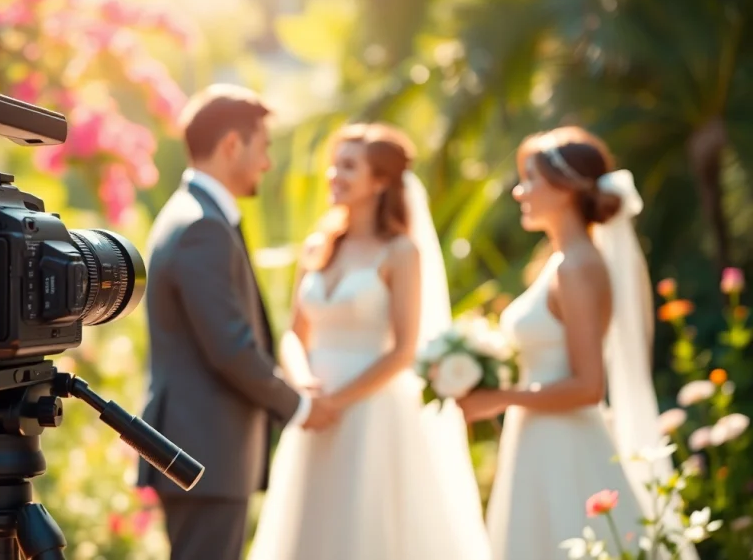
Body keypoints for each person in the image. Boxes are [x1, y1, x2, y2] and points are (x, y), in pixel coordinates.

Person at [246, 123, 491, 560]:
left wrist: (337, 401)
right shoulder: (319, 245)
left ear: (380, 181)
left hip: (371, 411)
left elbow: (404, 350)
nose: (334, 176)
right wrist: (303, 385)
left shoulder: (401, 252)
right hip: (314, 410)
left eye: (348, 166)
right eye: (334, 165)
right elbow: (294, 336)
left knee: (365, 527)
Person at [457, 126, 697, 560]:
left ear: (565, 189)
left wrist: (496, 398)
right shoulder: (559, 263)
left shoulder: (578, 267)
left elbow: (588, 387)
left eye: (530, 179)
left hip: (564, 449)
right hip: (539, 440)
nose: (518, 191)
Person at [137, 84, 340, 560]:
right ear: (233, 145)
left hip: (200, 450)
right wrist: (299, 406)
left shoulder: (193, 215)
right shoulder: (202, 227)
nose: (267, 162)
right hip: (204, 453)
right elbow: (230, 347)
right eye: (263, 147)